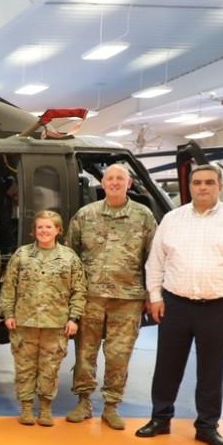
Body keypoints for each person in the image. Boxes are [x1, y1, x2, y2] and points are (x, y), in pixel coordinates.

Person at [137, 165, 223, 445]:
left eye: (209, 182)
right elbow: (155, 261)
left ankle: (207, 426)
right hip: (175, 304)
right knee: (167, 365)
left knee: (212, 369)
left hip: (218, 307)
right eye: (197, 182)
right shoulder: (173, 219)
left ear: (219, 186)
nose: (202, 187)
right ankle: (160, 418)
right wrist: (155, 296)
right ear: (190, 186)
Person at [64, 163, 157, 430]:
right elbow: (70, 256)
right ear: (103, 183)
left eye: (120, 178)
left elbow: (154, 258)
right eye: (110, 178)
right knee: (85, 352)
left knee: (119, 355)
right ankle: (83, 401)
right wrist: (72, 296)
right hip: (91, 296)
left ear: (129, 184)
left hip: (127, 299)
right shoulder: (86, 215)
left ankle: (111, 405)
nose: (115, 182)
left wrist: (152, 294)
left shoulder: (143, 216)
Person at [0, 210, 87, 427]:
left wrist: (74, 318)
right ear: (34, 231)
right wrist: (8, 313)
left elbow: (79, 290)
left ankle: (46, 408)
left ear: (58, 230)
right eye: (40, 227)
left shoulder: (69, 257)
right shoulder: (22, 255)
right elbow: (9, 286)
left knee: (50, 368)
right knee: (24, 367)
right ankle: (27, 408)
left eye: (49, 227)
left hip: (56, 323)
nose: (44, 231)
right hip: (25, 322)